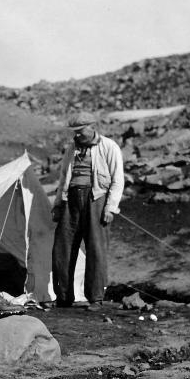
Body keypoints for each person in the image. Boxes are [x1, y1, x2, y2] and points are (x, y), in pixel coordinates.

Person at [51, 112, 125, 309]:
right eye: (74, 132)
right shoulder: (72, 149)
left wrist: (110, 208)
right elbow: (63, 177)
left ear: (92, 127)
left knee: (96, 249)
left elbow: (118, 180)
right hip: (71, 201)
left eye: (80, 131)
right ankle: (64, 297)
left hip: (96, 200)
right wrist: (58, 204)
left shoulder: (109, 147)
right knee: (62, 248)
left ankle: (96, 298)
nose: (76, 135)